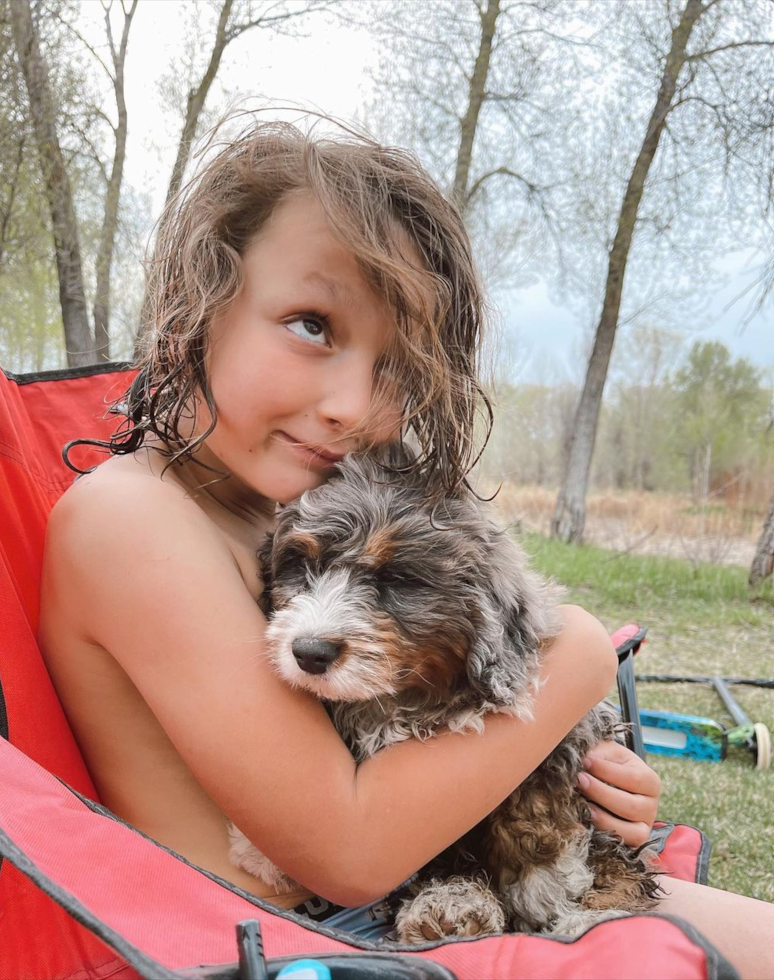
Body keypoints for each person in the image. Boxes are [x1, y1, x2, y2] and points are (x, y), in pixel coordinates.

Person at [39, 116, 774, 974]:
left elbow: (406, 728)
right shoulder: (132, 520)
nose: (354, 405)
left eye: (397, 370)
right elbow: (347, 847)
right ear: (197, 303)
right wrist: (570, 656)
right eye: (311, 323)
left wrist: (569, 783)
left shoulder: (284, 503)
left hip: (430, 894)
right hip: (297, 946)